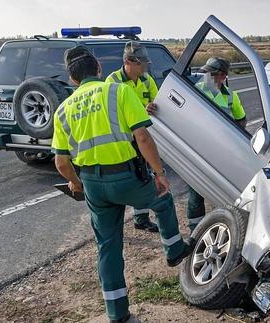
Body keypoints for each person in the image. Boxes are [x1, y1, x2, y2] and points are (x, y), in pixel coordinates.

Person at [51, 45, 193, 323]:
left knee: (107, 245)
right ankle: (174, 250)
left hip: (93, 184)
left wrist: (75, 183)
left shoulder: (63, 110)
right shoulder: (118, 91)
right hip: (126, 176)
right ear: (99, 69)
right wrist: (159, 172)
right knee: (162, 199)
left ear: (72, 79)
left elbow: (61, 163)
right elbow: (142, 137)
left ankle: (117, 313)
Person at [187, 57, 247, 231]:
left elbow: (241, 120)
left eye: (210, 73)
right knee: (195, 194)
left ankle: (220, 227)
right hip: (198, 149)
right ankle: (194, 230)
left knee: (220, 193)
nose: (205, 76)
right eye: (205, 72)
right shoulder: (195, 91)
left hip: (221, 153)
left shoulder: (230, 96)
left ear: (221, 76)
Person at [105, 41, 159, 233]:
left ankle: (141, 218)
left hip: (141, 136)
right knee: (126, 177)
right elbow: (111, 114)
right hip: (123, 138)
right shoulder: (112, 82)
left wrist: (153, 106)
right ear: (128, 61)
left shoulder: (146, 80)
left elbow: (157, 100)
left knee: (143, 175)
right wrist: (138, 112)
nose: (144, 66)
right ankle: (116, 219)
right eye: (140, 62)